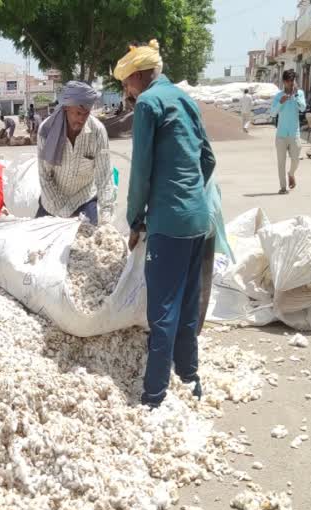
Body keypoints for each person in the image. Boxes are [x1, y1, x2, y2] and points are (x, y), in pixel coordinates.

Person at [114, 40, 215, 408]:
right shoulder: (184, 98)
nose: (126, 90)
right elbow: (207, 159)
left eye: (126, 83)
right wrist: (189, 194)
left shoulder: (149, 104)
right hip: (199, 221)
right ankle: (190, 380)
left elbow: (140, 170)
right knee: (189, 305)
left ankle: (153, 396)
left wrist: (136, 218)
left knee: (164, 312)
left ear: (139, 76)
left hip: (169, 225)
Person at [36, 81, 115, 224]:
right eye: (78, 113)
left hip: (83, 198)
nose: (82, 119)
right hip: (53, 202)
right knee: (39, 244)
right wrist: (63, 214)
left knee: (90, 242)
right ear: (66, 107)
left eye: (86, 114)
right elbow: (45, 176)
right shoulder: (46, 131)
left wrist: (106, 215)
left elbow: (104, 175)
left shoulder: (97, 131)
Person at [270, 69, 306, 194]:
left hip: (294, 134)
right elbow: (273, 113)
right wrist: (281, 102)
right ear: (284, 82)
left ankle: (291, 173)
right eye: (289, 81)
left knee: (295, 159)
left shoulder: (299, 93)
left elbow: (303, 108)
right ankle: (283, 187)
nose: (291, 83)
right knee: (281, 162)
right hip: (281, 135)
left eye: (293, 80)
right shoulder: (278, 96)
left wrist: (295, 96)